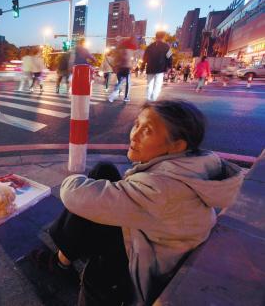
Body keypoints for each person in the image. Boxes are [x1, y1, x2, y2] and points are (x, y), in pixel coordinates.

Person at [29, 99, 243, 305]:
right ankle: (61, 261)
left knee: (96, 244)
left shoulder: (161, 189)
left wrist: (73, 178)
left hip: (146, 271)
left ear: (177, 145)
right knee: (104, 172)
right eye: (136, 124)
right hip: (155, 242)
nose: (134, 135)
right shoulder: (196, 165)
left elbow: (73, 195)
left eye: (147, 130)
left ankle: (61, 263)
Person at [142, 31, 173, 101]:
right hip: (160, 69)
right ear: (163, 37)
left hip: (150, 68)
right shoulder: (167, 46)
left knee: (149, 85)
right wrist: (169, 66)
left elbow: (145, 58)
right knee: (157, 86)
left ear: (156, 37)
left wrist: (142, 66)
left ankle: (148, 99)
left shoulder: (150, 46)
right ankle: (153, 99)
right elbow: (170, 57)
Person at [108, 37, 137, 103]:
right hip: (126, 68)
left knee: (120, 82)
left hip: (119, 68)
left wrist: (115, 66)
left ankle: (115, 93)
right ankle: (124, 97)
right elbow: (130, 59)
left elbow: (115, 59)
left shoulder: (119, 50)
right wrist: (132, 65)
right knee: (127, 83)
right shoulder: (129, 50)